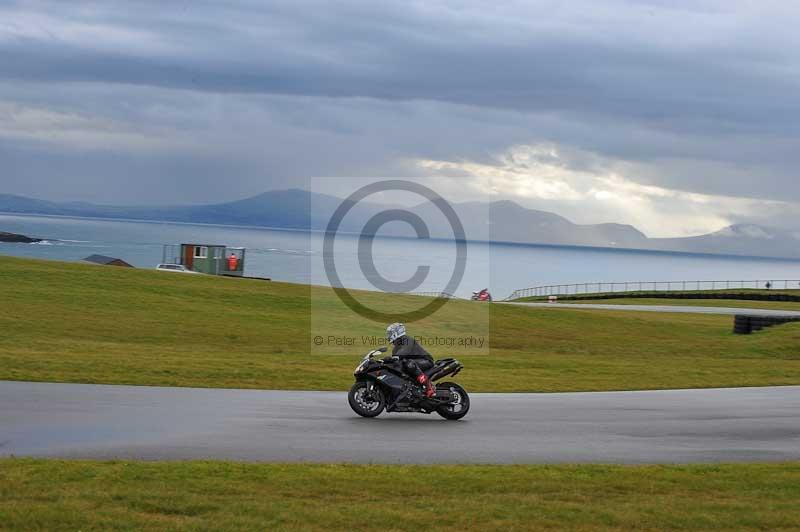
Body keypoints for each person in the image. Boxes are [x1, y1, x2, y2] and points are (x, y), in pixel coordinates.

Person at [385, 322, 436, 398]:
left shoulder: (407, 339)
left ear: (396, 332)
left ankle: (428, 387)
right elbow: (396, 361)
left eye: (390, 333)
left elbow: (405, 350)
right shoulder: (395, 349)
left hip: (425, 360)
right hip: (414, 364)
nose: (388, 335)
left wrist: (396, 356)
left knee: (409, 364)